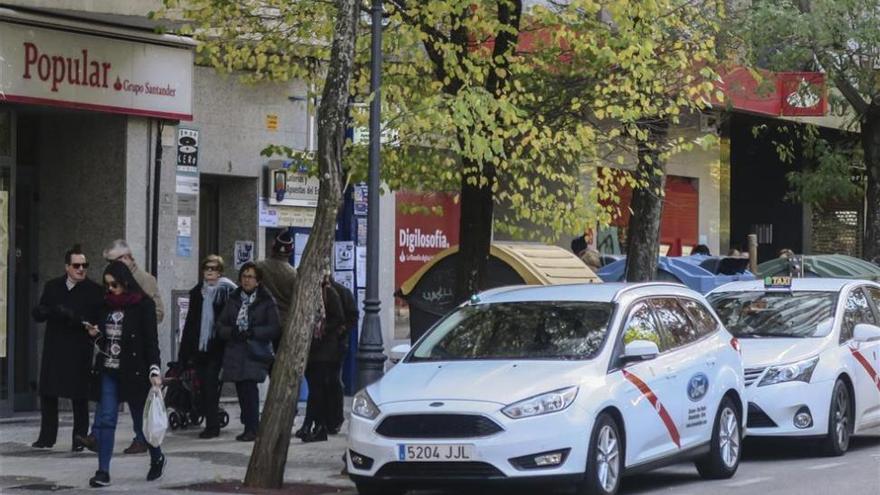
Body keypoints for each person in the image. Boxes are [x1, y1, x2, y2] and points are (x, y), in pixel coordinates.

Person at [81, 240, 167, 455]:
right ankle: (97, 437)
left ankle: (146, 442)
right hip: (113, 355)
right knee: (107, 399)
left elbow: (157, 313)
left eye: (113, 261)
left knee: (137, 403)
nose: (109, 267)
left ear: (127, 258)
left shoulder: (145, 280)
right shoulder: (110, 284)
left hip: (136, 353)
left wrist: (135, 323)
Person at [31, 245, 103, 451]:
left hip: (79, 347)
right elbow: (41, 311)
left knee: (79, 395)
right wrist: (45, 311)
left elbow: (98, 319)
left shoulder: (94, 291)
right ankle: (46, 437)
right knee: (48, 392)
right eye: (76, 265)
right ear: (67, 267)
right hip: (55, 346)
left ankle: (79, 438)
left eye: (84, 265)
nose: (81, 269)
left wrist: (91, 327)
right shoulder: (53, 286)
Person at [216, 262, 281, 442]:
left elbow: (274, 328)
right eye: (244, 276)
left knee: (249, 387)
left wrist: (254, 332)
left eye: (251, 277)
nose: (246, 280)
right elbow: (220, 325)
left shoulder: (267, 301)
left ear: (258, 281)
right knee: (242, 389)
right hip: (236, 350)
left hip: (255, 351)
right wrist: (232, 332)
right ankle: (249, 424)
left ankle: (253, 427)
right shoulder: (234, 299)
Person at [177, 255, 236, 439]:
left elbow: (230, 319)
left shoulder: (227, 291)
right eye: (207, 268)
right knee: (201, 386)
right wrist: (184, 353)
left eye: (214, 268)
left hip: (218, 346)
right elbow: (191, 323)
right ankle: (207, 418)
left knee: (211, 385)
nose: (210, 272)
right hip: (199, 347)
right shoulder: (197, 292)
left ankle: (212, 425)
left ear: (220, 271)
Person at [296, 274, 346, 443]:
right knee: (315, 390)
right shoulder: (304, 293)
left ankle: (313, 425)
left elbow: (339, 318)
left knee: (317, 390)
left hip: (325, 350)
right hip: (310, 349)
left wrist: (321, 330)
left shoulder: (329, 293)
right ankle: (315, 425)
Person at [256, 231, 297, 349]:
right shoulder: (294, 275)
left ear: (273, 247)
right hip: (283, 326)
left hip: (260, 323)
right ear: (290, 252)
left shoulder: (258, 267)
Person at [327, 278, 358, 434]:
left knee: (333, 381)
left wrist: (341, 330)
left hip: (336, 345)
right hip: (320, 345)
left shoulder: (340, 292)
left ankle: (335, 419)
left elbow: (352, 317)